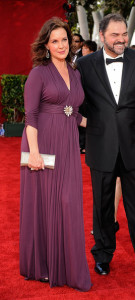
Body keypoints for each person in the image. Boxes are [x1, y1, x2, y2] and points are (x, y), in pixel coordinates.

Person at [77, 13, 135, 276]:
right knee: (102, 205)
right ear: (101, 36)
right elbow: (79, 106)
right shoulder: (84, 65)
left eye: (124, 33)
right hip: (101, 145)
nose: (121, 39)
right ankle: (102, 254)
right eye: (115, 35)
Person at [20, 17, 91, 291]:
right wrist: (34, 153)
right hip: (42, 143)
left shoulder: (75, 73)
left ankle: (66, 264)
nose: (61, 45)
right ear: (46, 45)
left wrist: (107, 126)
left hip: (69, 145)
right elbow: (31, 116)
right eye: (55, 41)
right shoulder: (39, 73)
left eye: (64, 39)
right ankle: (43, 265)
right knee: (44, 202)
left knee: (68, 201)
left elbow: (72, 114)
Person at [79, 40, 98, 154]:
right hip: (82, 96)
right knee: (81, 120)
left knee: (89, 121)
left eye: (85, 48)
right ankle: (81, 144)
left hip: (92, 96)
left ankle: (87, 145)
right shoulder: (80, 62)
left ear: (91, 50)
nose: (83, 50)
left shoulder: (96, 62)